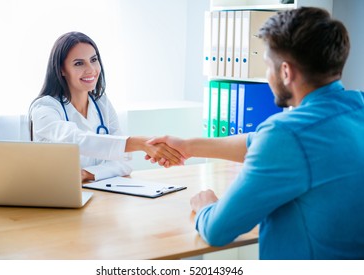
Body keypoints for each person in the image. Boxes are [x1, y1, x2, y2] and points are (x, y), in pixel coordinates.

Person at [148, 7, 364, 259]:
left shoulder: (286, 134)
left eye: (267, 66)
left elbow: (218, 230)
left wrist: (205, 206)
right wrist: (188, 145)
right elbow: (261, 143)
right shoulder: (354, 108)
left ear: (285, 72)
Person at [29, 31, 182, 182]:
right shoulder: (45, 108)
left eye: (93, 60)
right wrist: (140, 143)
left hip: (96, 192)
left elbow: (124, 162)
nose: (91, 69)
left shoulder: (101, 103)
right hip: (57, 195)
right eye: (79, 63)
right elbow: (75, 140)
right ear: (61, 69)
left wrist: (87, 174)